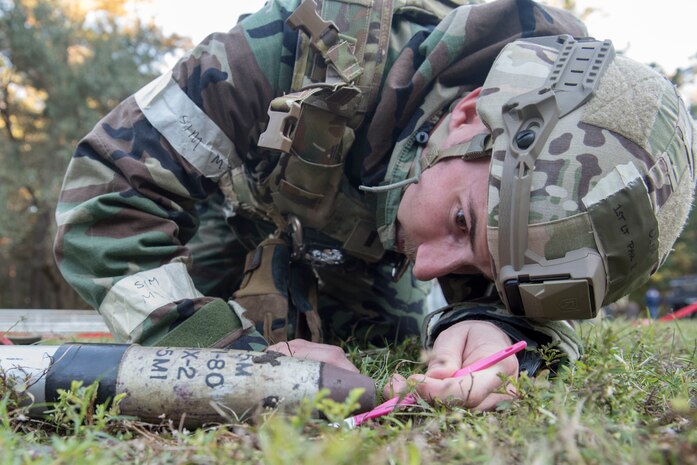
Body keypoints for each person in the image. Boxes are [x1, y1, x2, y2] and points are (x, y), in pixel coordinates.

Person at [53, 0, 695, 411]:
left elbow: (545, 305)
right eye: (463, 223)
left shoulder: (537, 194)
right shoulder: (293, 46)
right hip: (230, 215)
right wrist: (232, 355)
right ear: (468, 118)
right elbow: (106, 198)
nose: (429, 270)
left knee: (384, 344)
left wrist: (503, 331)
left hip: (358, 253)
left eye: (483, 265)